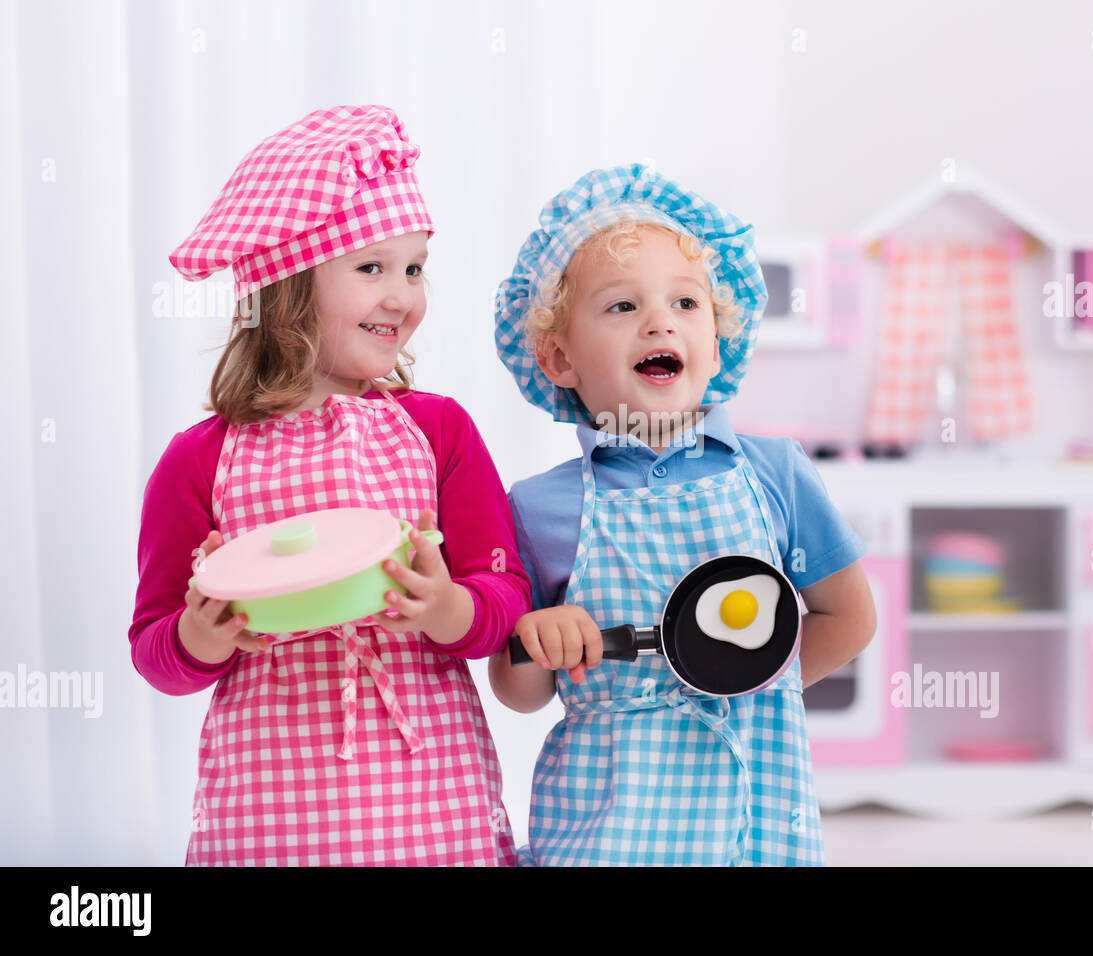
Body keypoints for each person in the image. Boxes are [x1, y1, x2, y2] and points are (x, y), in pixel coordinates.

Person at [130, 105, 528, 865]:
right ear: (286, 290)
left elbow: (505, 597)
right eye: (371, 267)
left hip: (431, 807)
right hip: (269, 817)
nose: (402, 296)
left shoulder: (438, 431)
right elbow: (153, 647)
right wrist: (198, 636)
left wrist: (449, 609)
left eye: (414, 268)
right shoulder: (199, 460)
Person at [490, 164, 877, 865]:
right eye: (621, 307)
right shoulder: (539, 507)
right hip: (606, 820)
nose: (661, 320)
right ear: (558, 356)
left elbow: (850, 617)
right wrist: (533, 638)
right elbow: (517, 691)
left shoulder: (774, 473)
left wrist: (756, 679)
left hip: (754, 808)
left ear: (719, 338)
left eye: (687, 304)